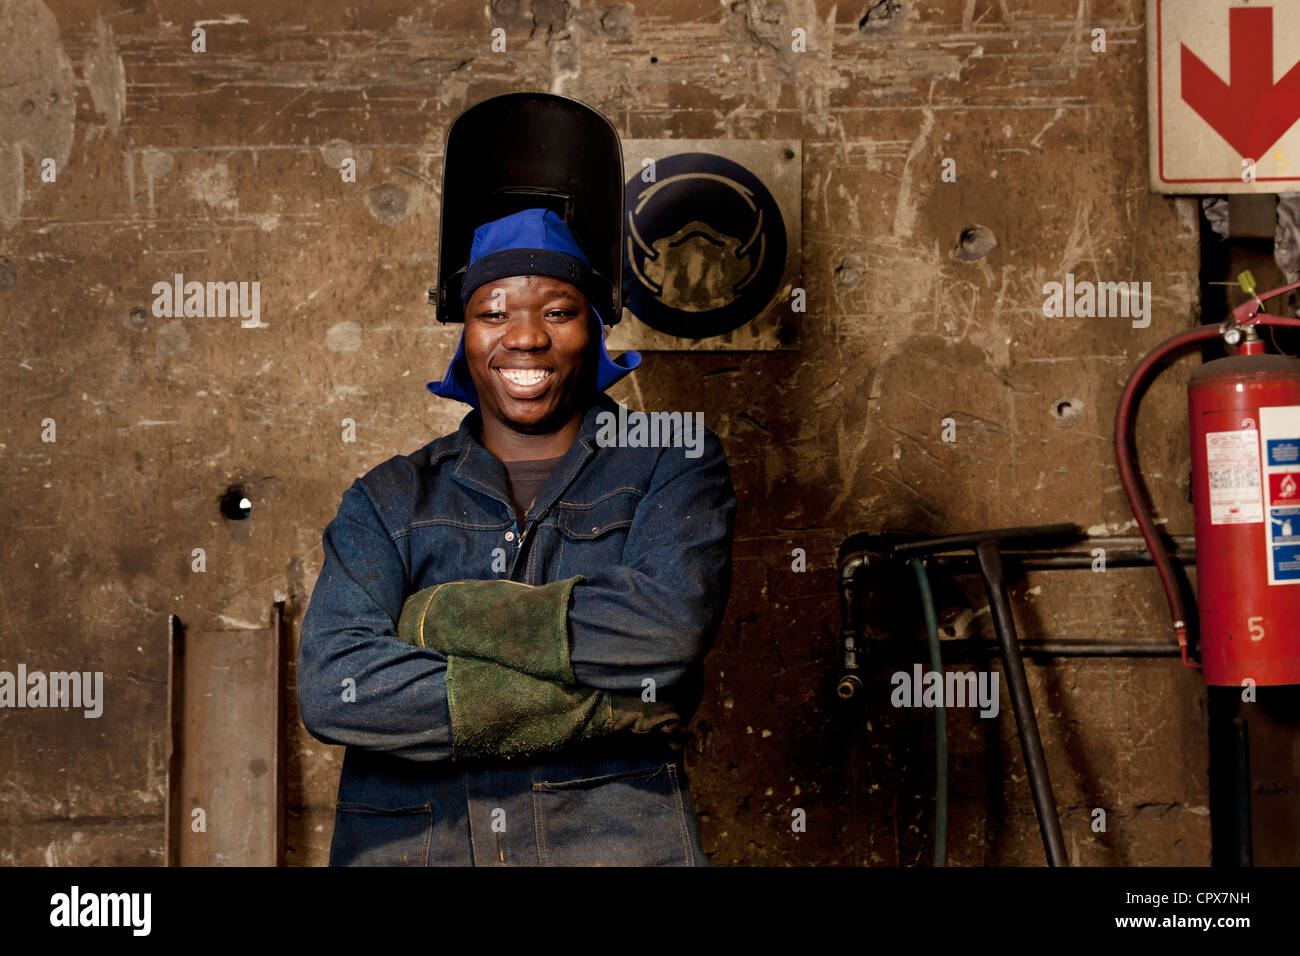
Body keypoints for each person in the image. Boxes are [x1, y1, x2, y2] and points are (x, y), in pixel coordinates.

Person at [297, 206, 737, 865]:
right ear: (465, 336)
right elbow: (337, 689)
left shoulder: (668, 461)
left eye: (558, 311)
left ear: (593, 327)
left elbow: (666, 632)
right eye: (495, 313)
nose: (525, 337)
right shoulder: (387, 498)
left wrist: (436, 616)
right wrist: (610, 709)